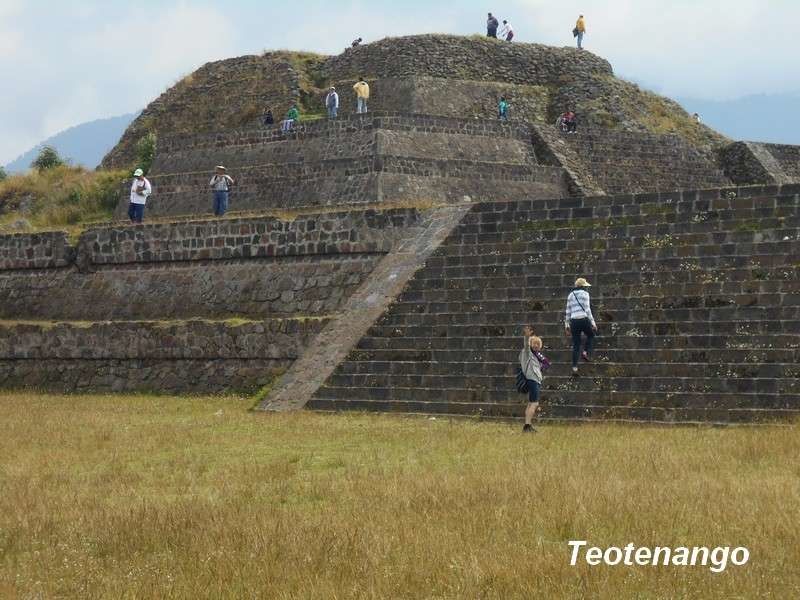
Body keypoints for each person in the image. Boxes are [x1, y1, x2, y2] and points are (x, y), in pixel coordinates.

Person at [520, 326, 551, 432]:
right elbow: (526, 346)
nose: (536, 345)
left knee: (530, 403)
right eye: (534, 343)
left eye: (538, 344)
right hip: (532, 380)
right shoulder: (528, 353)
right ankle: (527, 426)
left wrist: (541, 368)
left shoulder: (537, 356)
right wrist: (527, 336)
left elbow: (546, 364)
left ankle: (527, 424)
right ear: (531, 344)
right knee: (534, 403)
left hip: (535, 380)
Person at [565, 278, 597, 377]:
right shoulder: (585, 294)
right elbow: (587, 309)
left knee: (576, 344)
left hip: (574, 321)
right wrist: (593, 323)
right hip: (583, 319)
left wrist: (566, 325)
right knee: (591, 335)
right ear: (583, 286)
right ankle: (585, 352)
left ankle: (574, 367)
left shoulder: (570, 295)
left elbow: (568, 311)